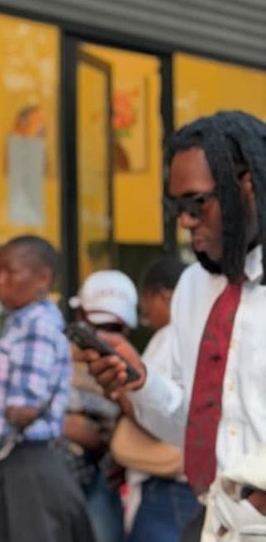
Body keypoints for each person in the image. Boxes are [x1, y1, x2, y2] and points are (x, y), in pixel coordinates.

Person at [84, 111, 266, 541]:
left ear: (248, 184)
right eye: (176, 207)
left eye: (196, 202)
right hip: (217, 520)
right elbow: (196, 427)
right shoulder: (192, 289)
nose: (184, 220)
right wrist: (140, 383)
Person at [0, 235, 95, 542]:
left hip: (23, 473)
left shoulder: (38, 328)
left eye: (10, 271)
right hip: (12, 469)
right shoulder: (20, 325)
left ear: (42, 279)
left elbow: (22, 411)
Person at [120, 255, 201, 542]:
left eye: (146, 305)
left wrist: (120, 392)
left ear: (164, 295)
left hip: (165, 485)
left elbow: (156, 412)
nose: (146, 315)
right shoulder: (200, 335)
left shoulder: (169, 337)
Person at [66, 270, 137, 542]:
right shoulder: (54, 356)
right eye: (98, 327)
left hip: (102, 476)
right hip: (56, 472)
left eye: (114, 329)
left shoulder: (134, 366)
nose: (106, 337)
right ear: (80, 318)